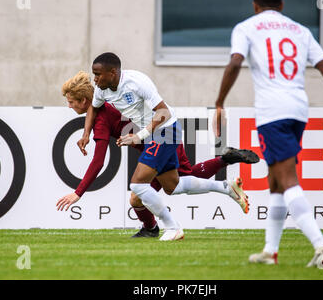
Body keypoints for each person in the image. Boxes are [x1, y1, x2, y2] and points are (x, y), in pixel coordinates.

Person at [214, 0, 323, 267]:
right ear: (282, 5)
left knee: (287, 179)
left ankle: (321, 247)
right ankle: (271, 250)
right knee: (276, 182)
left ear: (255, 6)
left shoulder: (247, 27)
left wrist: (219, 102)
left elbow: (234, 63)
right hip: (298, 110)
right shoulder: (300, 30)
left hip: (273, 112)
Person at [65, 52, 255, 241]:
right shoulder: (101, 90)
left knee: (138, 185)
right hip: (153, 136)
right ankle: (226, 187)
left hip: (165, 129)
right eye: (94, 74)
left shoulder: (137, 82)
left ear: (113, 72)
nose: (95, 79)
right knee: (174, 185)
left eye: (98, 74)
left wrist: (139, 135)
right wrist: (85, 134)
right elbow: (94, 107)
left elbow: (163, 112)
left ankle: (173, 227)